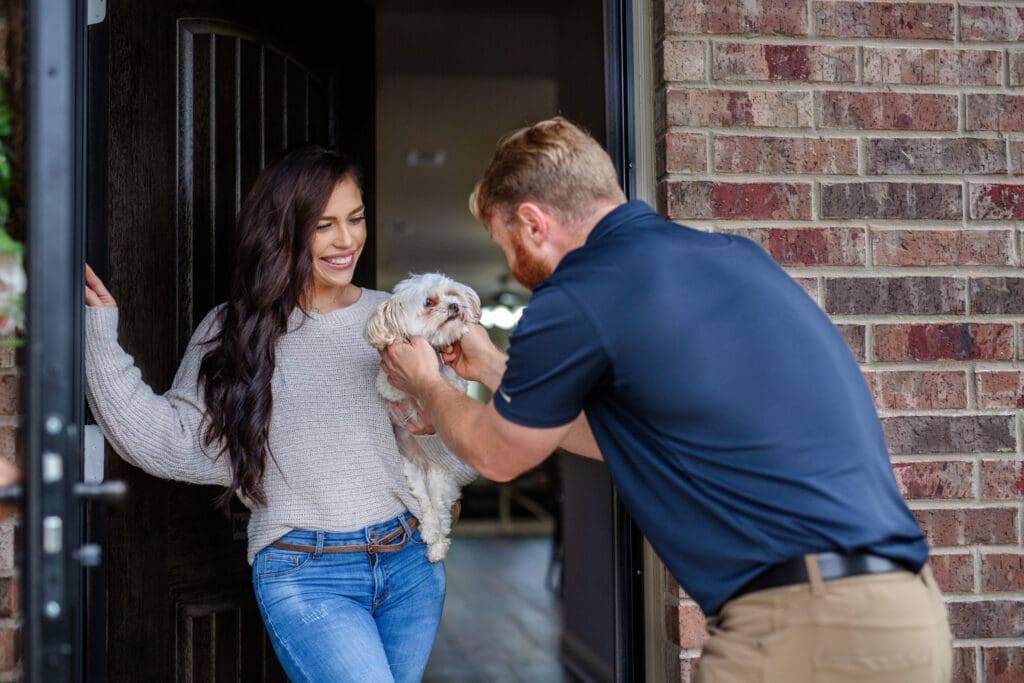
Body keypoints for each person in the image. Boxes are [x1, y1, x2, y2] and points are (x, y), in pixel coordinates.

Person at [382, 117, 953, 682]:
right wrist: (486, 364)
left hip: (801, 630)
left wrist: (426, 382)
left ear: (532, 224)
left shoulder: (578, 293)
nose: (511, 265)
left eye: (504, 242)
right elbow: (626, 436)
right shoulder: (735, 259)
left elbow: (497, 454)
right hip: (909, 616)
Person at [84, 145, 476, 683]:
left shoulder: (397, 319)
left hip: (409, 563)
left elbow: (455, 454)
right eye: (324, 225)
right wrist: (100, 339)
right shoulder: (236, 330)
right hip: (305, 572)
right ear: (285, 230)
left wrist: (440, 402)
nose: (347, 240)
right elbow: (170, 441)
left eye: (356, 219)